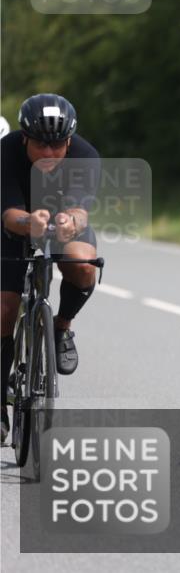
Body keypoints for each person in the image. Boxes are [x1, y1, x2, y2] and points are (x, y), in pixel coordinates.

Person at [1, 94, 100, 441]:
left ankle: (61, 327)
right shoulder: (7, 151)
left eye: (57, 144)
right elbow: (9, 214)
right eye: (40, 144)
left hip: (61, 221)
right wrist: (30, 221)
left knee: (84, 264)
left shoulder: (85, 156)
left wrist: (70, 220)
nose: (48, 153)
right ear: (25, 138)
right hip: (15, 225)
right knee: (5, 307)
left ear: (69, 140)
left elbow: (80, 210)